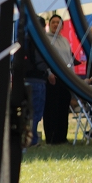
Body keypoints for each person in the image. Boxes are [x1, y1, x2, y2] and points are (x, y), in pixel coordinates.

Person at [43, 14, 73, 144]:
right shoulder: (46, 39)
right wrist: (49, 73)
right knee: (52, 108)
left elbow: (69, 59)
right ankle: (51, 137)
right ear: (49, 25)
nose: (56, 24)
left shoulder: (65, 41)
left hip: (66, 77)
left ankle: (62, 136)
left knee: (63, 107)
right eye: (53, 22)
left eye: (58, 22)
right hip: (53, 77)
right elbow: (45, 58)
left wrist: (73, 78)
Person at [23, 19, 49, 147]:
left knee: (28, 112)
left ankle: (27, 138)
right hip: (38, 80)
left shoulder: (24, 39)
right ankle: (32, 140)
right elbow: (41, 63)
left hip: (25, 80)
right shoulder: (39, 42)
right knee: (36, 112)